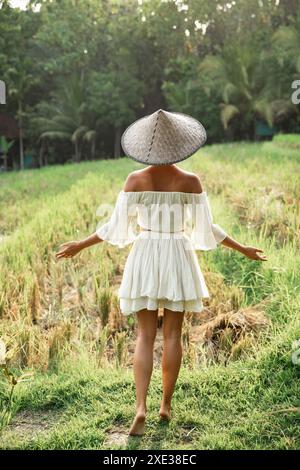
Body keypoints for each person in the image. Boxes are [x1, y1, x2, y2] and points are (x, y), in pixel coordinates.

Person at [56, 109, 267, 436]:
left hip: (145, 253)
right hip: (178, 255)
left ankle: (140, 408)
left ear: (147, 146)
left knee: (144, 336)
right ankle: (165, 406)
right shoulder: (190, 181)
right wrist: (244, 249)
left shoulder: (135, 180)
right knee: (172, 335)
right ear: (181, 145)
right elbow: (208, 229)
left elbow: (114, 227)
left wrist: (80, 245)